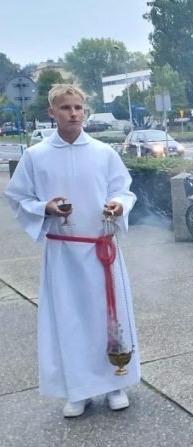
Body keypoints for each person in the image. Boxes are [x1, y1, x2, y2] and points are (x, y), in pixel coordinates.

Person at [4, 84, 140, 418]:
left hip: (101, 250)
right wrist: (46, 208)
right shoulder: (36, 156)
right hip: (64, 253)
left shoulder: (103, 152)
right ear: (52, 113)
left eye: (79, 107)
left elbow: (123, 190)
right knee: (70, 319)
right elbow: (17, 197)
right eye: (65, 108)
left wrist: (118, 206)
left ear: (86, 111)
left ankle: (114, 384)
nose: (73, 113)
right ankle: (77, 390)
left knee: (110, 316)